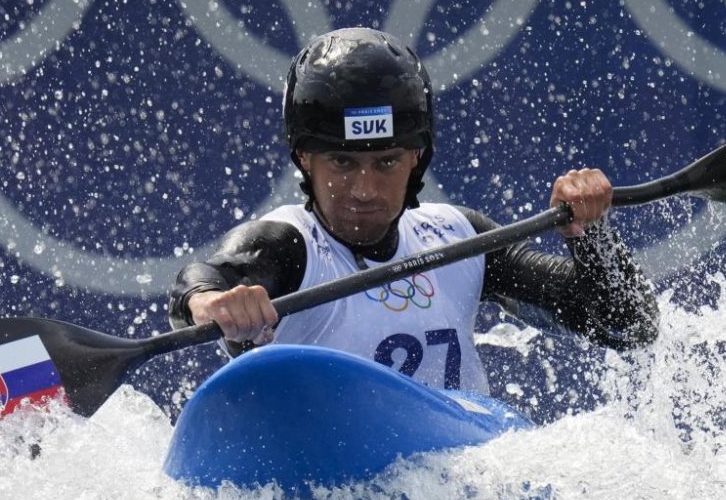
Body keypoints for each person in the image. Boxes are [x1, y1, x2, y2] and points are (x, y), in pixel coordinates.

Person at [169, 27, 658, 394]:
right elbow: (207, 275)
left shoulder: (459, 238)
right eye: (342, 161)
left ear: (417, 159)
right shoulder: (286, 244)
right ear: (304, 158)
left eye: (386, 162)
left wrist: (591, 236)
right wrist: (210, 303)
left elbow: (628, 325)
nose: (364, 189)